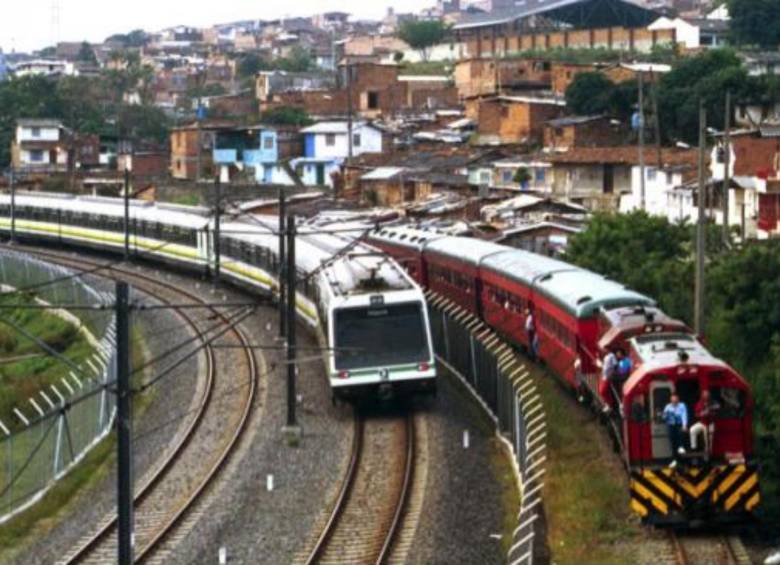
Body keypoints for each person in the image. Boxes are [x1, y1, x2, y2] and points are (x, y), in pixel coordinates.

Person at [662, 393, 689, 468]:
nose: (674, 400)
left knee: (680, 441)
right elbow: (664, 417)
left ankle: (682, 460)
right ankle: (674, 460)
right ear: (671, 400)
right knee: (673, 443)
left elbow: (684, 415)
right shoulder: (667, 407)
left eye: (675, 399)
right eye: (672, 399)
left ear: (678, 399)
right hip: (671, 426)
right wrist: (665, 415)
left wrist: (684, 425)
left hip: (679, 425)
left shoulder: (682, 406)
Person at [690, 390, 718, 458]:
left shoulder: (712, 402)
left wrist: (710, 411)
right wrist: (701, 414)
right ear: (702, 396)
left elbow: (717, 409)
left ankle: (708, 455)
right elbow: (696, 414)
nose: (706, 396)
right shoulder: (699, 403)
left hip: (710, 423)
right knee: (692, 430)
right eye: (704, 395)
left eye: (707, 395)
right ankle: (694, 448)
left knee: (707, 440)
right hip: (702, 422)